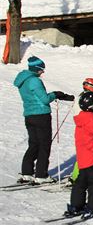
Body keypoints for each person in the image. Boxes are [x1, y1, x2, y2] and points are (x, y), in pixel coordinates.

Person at [13, 56, 74, 184]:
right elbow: (45, 99)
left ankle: (27, 172)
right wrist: (55, 94)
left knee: (34, 143)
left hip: (29, 115)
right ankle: (41, 174)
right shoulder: (34, 81)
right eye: (42, 69)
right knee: (44, 145)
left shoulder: (23, 80)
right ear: (36, 69)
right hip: (41, 116)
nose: (43, 72)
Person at [65, 91, 93, 218]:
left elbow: (87, 136)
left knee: (81, 181)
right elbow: (88, 138)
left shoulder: (82, 117)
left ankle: (76, 205)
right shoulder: (92, 119)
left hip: (83, 157)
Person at [69, 78, 93, 185]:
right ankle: (85, 179)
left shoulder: (80, 98)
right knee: (92, 157)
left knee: (83, 154)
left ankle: (77, 177)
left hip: (81, 128)